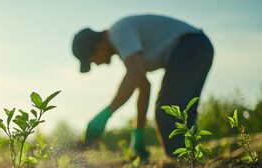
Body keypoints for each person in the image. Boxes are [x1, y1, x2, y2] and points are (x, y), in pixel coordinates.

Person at [72, 14, 214, 157]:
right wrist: (138, 133)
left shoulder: (119, 33)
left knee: (167, 111)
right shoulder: (128, 48)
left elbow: (135, 74)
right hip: (199, 45)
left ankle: (180, 166)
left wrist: (106, 114)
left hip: (189, 45)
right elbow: (144, 86)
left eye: (93, 61)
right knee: (185, 113)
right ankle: (192, 162)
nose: (97, 65)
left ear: (99, 48)